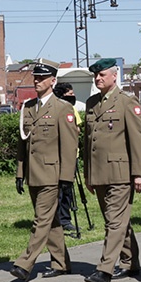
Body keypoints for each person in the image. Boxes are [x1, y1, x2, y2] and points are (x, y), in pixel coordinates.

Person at [82, 58, 141, 282]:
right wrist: (88, 174)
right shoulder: (92, 103)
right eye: (96, 76)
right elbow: (87, 142)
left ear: (114, 76)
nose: (98, 79)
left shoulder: (126, 102)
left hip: (121, 173)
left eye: (102, 75)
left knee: (114, 222)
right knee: (118, 221)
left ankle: (105, 270)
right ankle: (131, 261)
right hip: (99, 173)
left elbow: (139, 140)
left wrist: (140, 173)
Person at [10, 63, 79, 282]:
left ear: (53, 81)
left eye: (42, 78)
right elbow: (23, 143)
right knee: (51, 220)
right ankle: (61, 263)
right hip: (33, 173)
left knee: (41, 220)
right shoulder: (28, 107)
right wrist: (20, 172)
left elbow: (69, 146)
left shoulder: (62, 108)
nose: (37, 81)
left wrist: (66, 178)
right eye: (36, 78)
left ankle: (25, 264)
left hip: (52, 173)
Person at [53, 82, 81, 233]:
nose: (72, 97)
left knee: (68, 191)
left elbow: (77, 129)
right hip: (57, 157)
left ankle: (65, 219)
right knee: (58, 191)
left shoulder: (72, 109)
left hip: (72, 156)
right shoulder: (56, 108)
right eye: (69, 94)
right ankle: (56, 220)